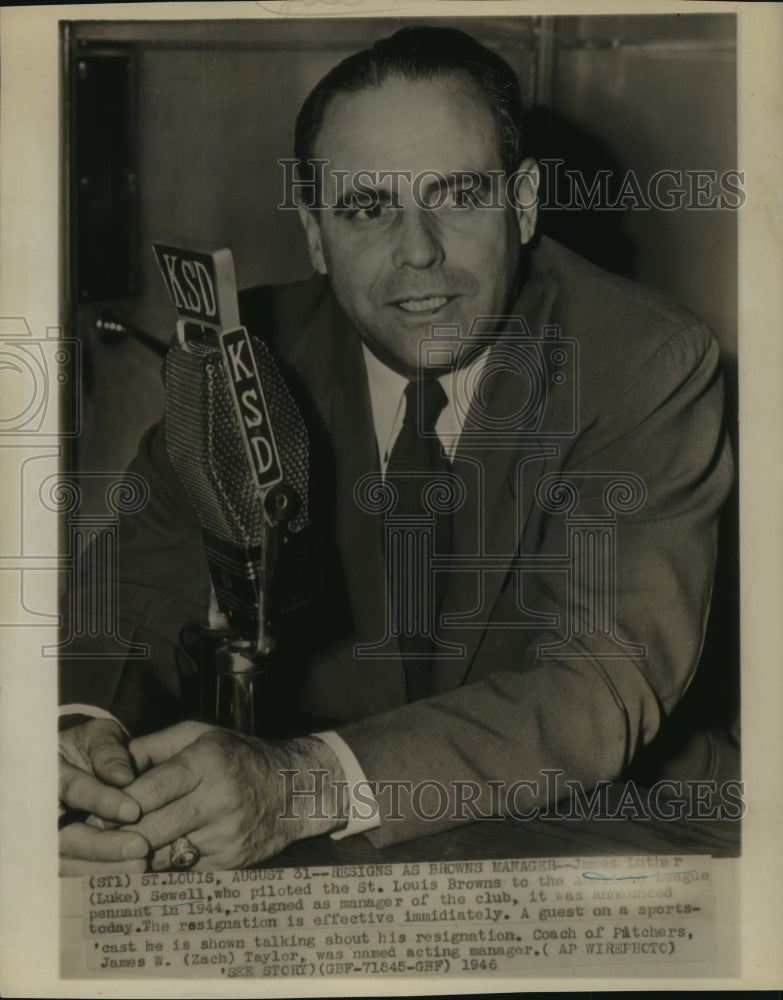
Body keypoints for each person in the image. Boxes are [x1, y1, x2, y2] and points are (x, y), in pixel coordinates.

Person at [58, 26, 734, 874]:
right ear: (313, 233)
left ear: (522, 204)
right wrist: (83, 743)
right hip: (328, 851)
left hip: (610, 827)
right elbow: (126, 595)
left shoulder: (641, 361)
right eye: (366, 207)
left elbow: (595, 685)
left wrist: (303, 783)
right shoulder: (253, 355)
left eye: (454, 194)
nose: (416, 250)